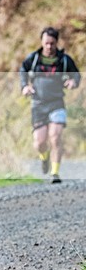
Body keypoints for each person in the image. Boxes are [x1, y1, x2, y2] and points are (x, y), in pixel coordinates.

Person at [20, 27, 80, 183]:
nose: (49, 46)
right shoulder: (34, 59)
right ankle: (44, 157)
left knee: (55, 137)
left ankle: (55, 173)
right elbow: (23, 70)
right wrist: (24, 86)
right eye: (46, 43)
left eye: (52, 43)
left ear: (56, 43)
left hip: (57, 103)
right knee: (39, 142)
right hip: (38, 104)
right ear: (42, 42)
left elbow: (76, 75)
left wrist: (73, 82)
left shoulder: (64, 60)